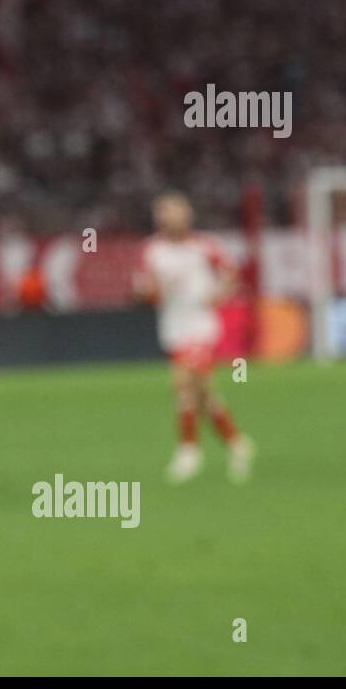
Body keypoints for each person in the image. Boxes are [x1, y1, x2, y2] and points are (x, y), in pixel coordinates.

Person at [133, 191, 255, 484]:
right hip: (173, 327)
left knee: (182, 383)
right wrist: (150, 291)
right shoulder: (151, 251)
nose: (171, 217)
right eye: (165, 212)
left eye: (176, 211)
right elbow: (144, 289)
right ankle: (237, 444)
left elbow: (231, 273)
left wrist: (218, 294)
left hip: (201, 326)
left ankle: (189, 452)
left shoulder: (204, 246)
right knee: (203, 395)